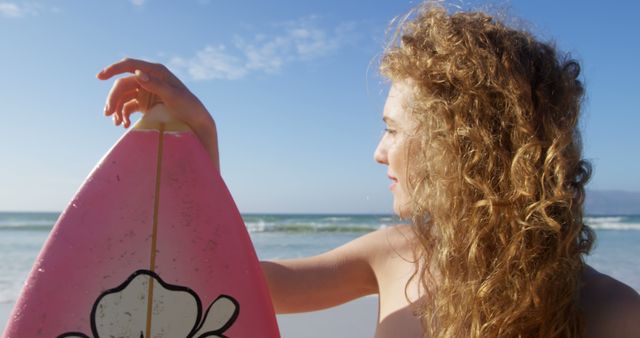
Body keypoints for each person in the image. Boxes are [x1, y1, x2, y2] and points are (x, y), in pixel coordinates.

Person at [96, 2, 640, 337]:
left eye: (394, 129)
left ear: (463, 147)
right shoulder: (393, 253)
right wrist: (200, 145)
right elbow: (241, 283)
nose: (380, 152)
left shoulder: (615, 316)